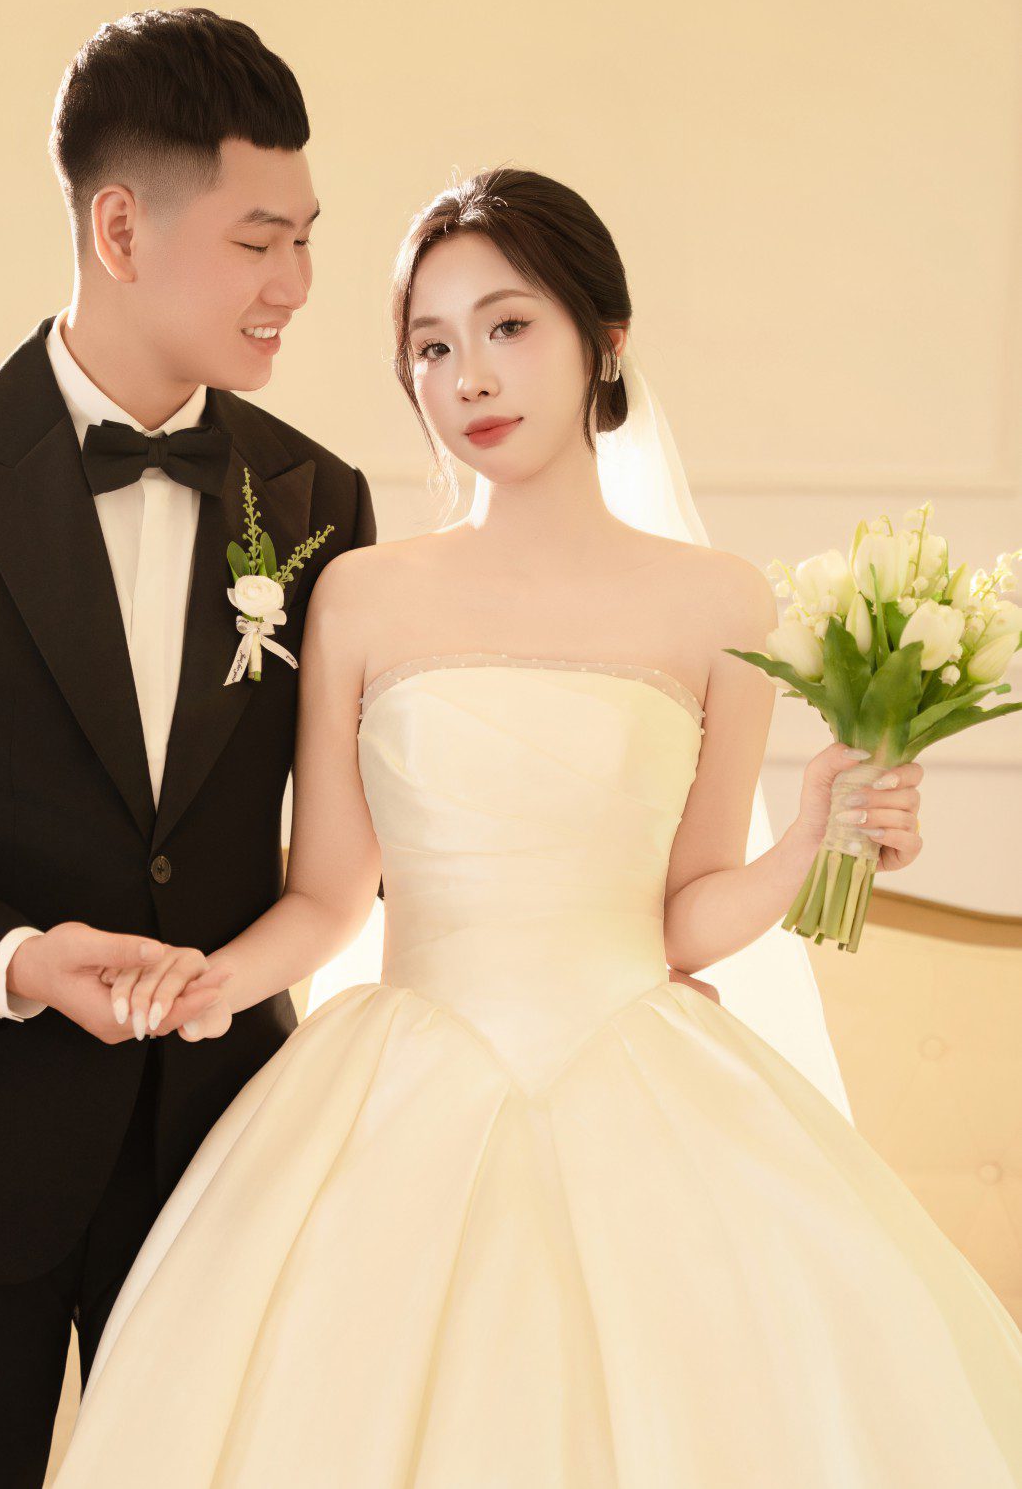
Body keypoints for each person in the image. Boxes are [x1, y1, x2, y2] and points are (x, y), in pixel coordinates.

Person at [52, 168, 1022, 1486]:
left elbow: (687, 914)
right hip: (402, 1079)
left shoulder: (722, 603)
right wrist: (210, 982)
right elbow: (331, 896)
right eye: (431, 347)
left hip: (642, 1078)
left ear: (603, 339)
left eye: (508, 327)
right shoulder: (361, 593)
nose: (470, 379)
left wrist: (811, 837)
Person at [0, 8, 379, 1487]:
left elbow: (369, 823)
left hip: (225, 1162)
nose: (296, 284)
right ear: (118, 227)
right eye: (258, 241)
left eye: (306, 240)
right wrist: (20, 960)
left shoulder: (322, 500)